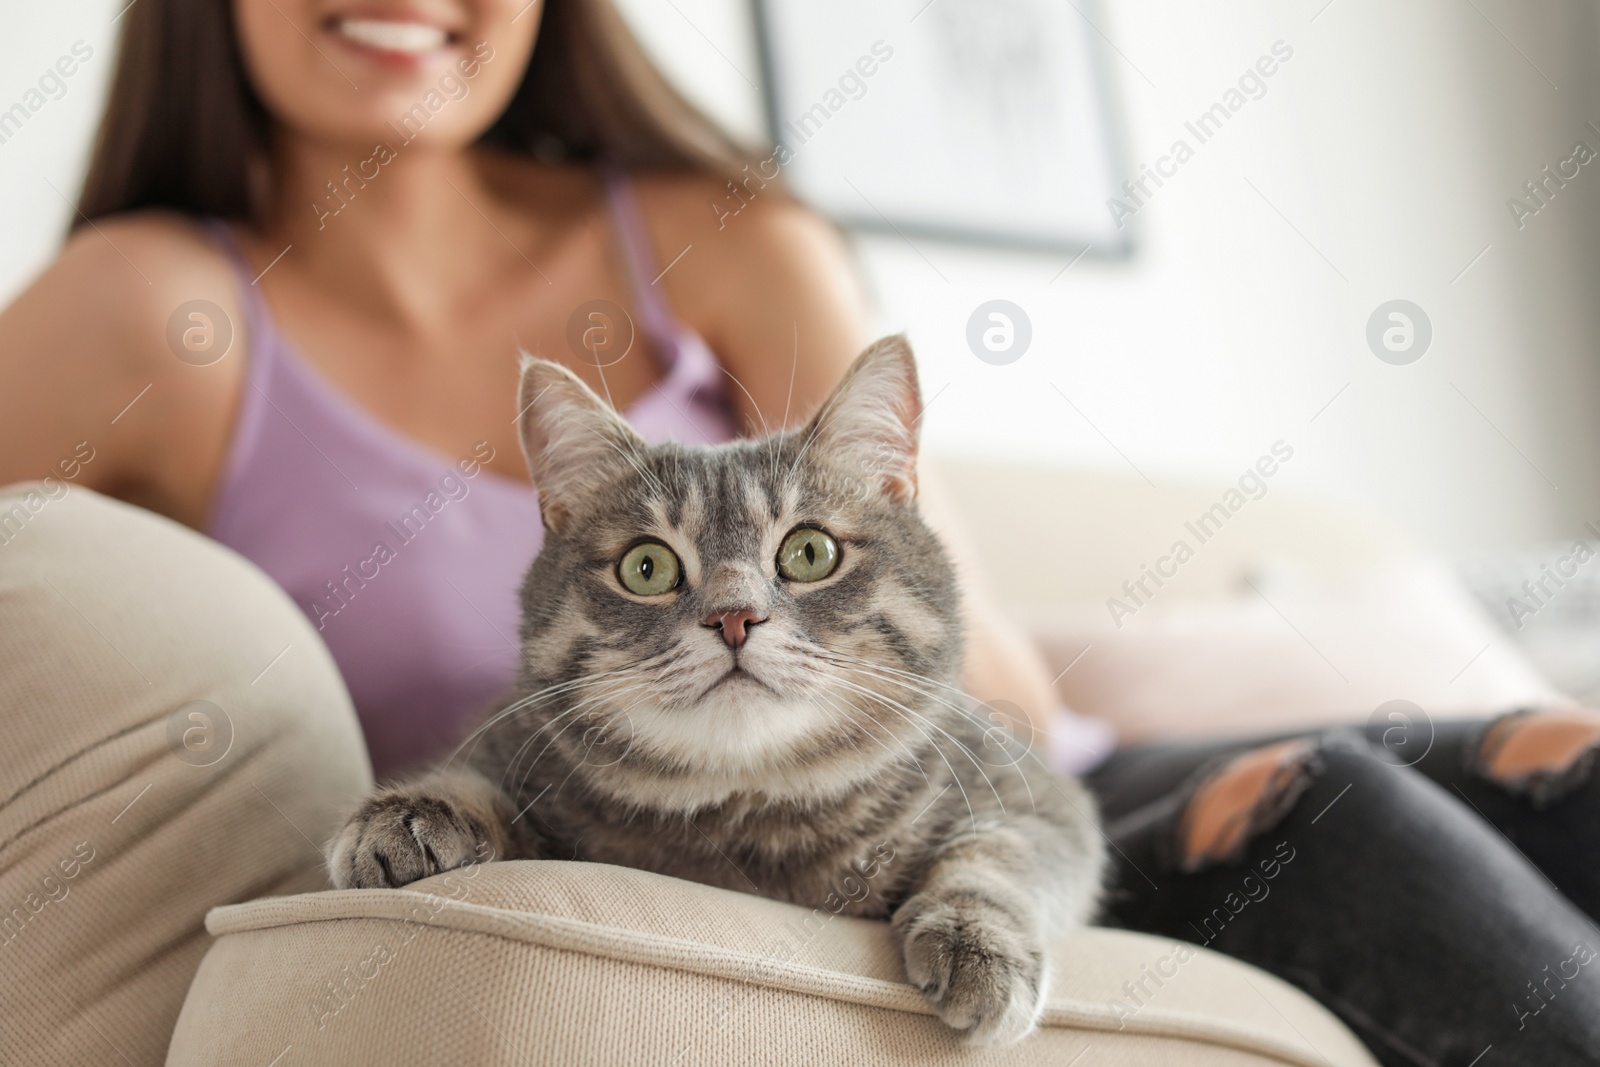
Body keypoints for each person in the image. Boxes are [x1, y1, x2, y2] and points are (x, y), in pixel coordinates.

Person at [1, 2, 1597, 1064]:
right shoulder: (144, 310)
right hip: (670, 817)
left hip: (976, 780)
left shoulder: (716, 227)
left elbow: (1014, 691)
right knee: (1342, 813)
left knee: (1555, 751)